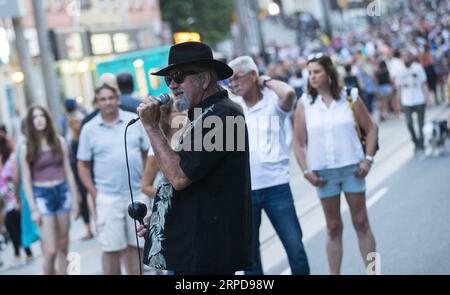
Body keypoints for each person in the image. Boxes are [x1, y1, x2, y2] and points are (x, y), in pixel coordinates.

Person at [136, 41, 252, 275]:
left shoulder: (224, 115)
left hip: (207, 253)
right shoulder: (203, 115)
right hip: (194, 247)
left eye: (178, 77)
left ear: (205, 79)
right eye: (168, 79)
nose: (172, 85)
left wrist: (152, 128)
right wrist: (164, 215)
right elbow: (197, 182)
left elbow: (180, 177)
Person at [293, 55, 378, 275]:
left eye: (316, 72)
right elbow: (298, 143)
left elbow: (371, 129)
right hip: (323, 174)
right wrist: (305, 171)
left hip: (352, 169)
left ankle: (373, 272)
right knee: (333, 228)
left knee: (361, 222)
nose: (312, 77)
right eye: (309, 73)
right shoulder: (305, 103)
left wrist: (368, 159)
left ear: (329, 74)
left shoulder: (350, 97)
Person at [228, 56, 310, 275]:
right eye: (230, 80)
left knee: (295, 249)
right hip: (245, 192)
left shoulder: (273, 102)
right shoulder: (232, 108)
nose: (232, 83)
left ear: (253, 75)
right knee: (250, 259)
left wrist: (266, 81)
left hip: (277, 187)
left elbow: (289, 94)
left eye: (237, 77)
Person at [77, 84, 149, 275]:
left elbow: (146, 152)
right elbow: (82, 164)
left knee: (137, 246)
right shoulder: (89, 129)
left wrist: (145, 181)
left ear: (117, 99)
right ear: (96, 102)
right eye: (103, 99)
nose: (108, 102)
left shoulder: (133, 121)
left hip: (136, 194)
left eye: (111, 97)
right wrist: (94, 193)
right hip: (108, 196)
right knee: (111, 249)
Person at [20, 106, 81, 275]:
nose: (39, 119)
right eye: (35, 117)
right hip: (42, 196)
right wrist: (33, 209)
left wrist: (75, 199)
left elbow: (68, 171)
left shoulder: (59, 141)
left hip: (62, 193)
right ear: (31, 123)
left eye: (42, 116)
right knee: (51, 249)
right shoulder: (27, 148)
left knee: (63, 246)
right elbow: (26, 181)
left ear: (47, 119)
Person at [0, 132, 34, 267]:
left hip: (12, 196)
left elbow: (15, 177)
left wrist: (16, 195)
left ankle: (20, 253)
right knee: (11, 225)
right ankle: (25, 252)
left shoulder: (11, 158)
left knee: (13, 223)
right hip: (3, 199)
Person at [396, 51, 429, 153]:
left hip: (419, 98)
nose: (406, 60)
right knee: (409, 123)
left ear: (411, 58)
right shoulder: (400, 70)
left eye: (407, 58)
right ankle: (415, 141)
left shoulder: (418, 67)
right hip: (407, 100)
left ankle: (422, 142)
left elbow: (424, 83)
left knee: (421, 123)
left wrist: (427, 96)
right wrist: (398, 101)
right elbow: (398, 87)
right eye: (404, 58)